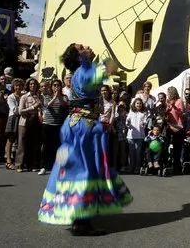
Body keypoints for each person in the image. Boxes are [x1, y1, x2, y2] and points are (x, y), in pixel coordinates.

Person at [37, 43, 132, 236]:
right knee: (84, 170)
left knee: (76, 168)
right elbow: (110, 68)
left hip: (77, 125)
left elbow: (105, 71)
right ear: (80, 57)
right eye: (82, 47)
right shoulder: (83, 72)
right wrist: (107, 62)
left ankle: (79, 215)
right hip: (83, 127)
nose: (87, 46)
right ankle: (81, 222)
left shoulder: (81, 72)